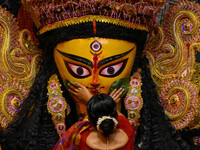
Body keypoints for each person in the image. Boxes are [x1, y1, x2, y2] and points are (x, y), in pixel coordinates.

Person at [0, 0, 196, 150]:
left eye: (111, 70)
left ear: (136, 69)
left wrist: (90, 103)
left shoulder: (75, 136)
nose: (94, 82)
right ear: (54, 69)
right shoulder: (125, 131)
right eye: (79, 70)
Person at [53, 92, 134, 150]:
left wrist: (94, 103)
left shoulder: (82, 136)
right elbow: (119, 116)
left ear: (90, 120)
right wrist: (107, 103)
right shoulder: (127, 129)